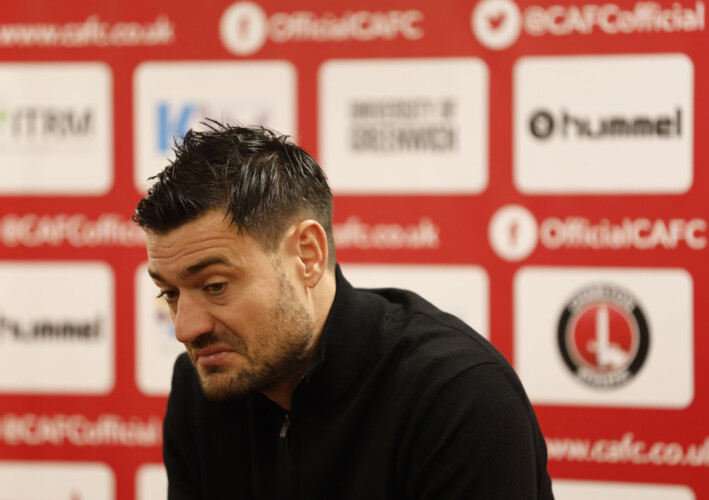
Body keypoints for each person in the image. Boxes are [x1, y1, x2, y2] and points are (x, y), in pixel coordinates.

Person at [133, 122, 554, 499]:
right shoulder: (200, 386)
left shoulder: (457, 396)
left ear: (308, 256)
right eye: (169, 293)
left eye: (215, 286)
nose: (185, 329)